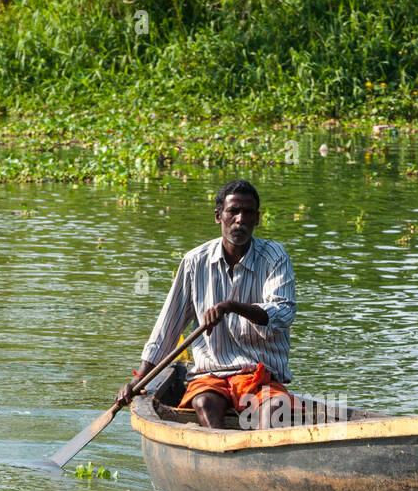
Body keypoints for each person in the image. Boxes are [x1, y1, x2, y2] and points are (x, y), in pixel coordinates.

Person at [116, 180, 295, 429]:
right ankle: (221, 450)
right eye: (233, 211)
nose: (240, 220)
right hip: (211, 374)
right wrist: (139, 380)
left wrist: (232, 306)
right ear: (218, 216)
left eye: (248, 213)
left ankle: (258, 453)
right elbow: (168, 327)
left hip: (259, 374)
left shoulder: (274, 257)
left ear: (258, 219)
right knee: (204, 402)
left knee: (276, 409)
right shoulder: (195, 262)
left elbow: (283, 312)